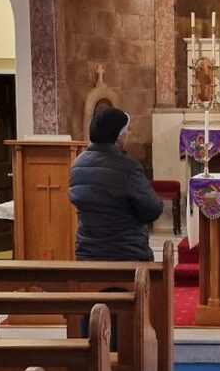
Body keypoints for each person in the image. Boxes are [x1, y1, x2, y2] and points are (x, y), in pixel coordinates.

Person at [70, 107, 163, 262]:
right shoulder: (128, 168)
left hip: (88, 254)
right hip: (127, 253)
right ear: (118, 136)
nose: (128, 134)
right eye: (126, 131)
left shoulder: (77, 164)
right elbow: (153, 209)